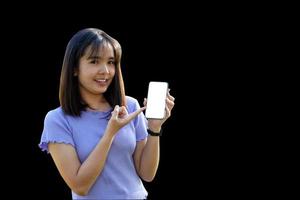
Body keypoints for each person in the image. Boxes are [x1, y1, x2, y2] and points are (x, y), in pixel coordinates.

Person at [39, 28, 175, 199]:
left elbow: (147, 174)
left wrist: (154, 128)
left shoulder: (130, 106)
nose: (106, 70)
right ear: (74, 68)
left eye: (111, 62)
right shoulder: (57, 120)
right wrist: (110, 133)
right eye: (94, 61)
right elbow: (80, 186)